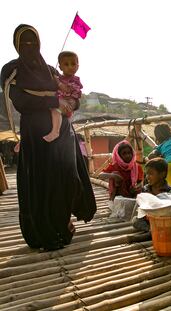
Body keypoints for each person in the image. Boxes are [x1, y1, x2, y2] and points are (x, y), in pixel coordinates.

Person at [0, 24, 97, 250]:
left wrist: (70, 104)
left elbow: (73, 96)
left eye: (33, 41)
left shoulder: (51, 71)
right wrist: (54, 102)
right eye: (24, 43)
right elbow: (22, 102)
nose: (30, 46)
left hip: (62, 133)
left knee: (67, 178)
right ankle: (44, 232)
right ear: (16, 45)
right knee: (41, 184)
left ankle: (65, 222)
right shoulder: (12, 70)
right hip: (36, 136)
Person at [43, 51, 82, 142]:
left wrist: (58, 82)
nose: (70, 67)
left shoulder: (75, 80)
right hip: (60, 101)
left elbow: (67, 90)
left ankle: (55, 132)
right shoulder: (59, 77)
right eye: (66, 64)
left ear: (77, 66)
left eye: (73, 64)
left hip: (68, 103)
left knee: (55, 111)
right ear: (60, 67)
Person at [131, 157, 171, 231]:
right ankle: (151, 231)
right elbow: (139, 210)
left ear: (162, 174)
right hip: (148, 220)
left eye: (151, 174)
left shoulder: (169, 191)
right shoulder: (145, 189)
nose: (147, 177)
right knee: (135, 220)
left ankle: (153, 231)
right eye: (146, 174)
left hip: (162, 220)